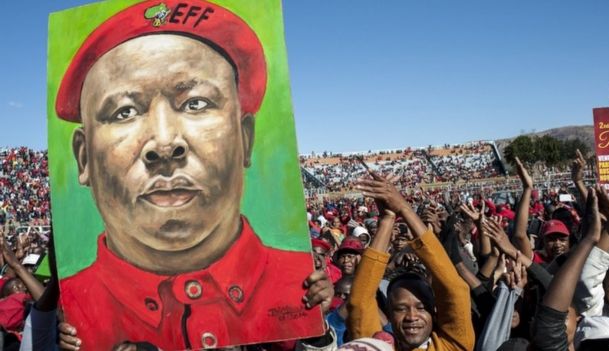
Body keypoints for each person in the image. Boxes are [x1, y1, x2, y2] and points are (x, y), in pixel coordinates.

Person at [53, 1, 329, 349]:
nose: (165, 143)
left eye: (195, 103)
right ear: (84, 158)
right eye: (124, 111)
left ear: (245, 139)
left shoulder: (299, 287)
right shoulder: (72, 315)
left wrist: (319, 332)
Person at [348, 172, 475, 351]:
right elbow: (359, 301)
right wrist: (387, 220)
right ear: (389, 316)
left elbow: (455, 289)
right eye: (400, 308)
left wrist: (404, 208)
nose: (412, 317)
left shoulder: (451, 346)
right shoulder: (376, 347)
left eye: (421, 307)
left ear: (434, 311)